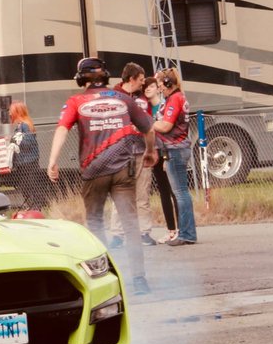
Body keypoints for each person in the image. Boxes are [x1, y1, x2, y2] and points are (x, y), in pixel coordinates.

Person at [46, 57, 157, 295]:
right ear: (105, 76)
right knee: (130, 224)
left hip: (93, 170)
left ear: (80, 79)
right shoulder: (123, 98)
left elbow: (62, 129)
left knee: (95, 224)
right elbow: (149, 128)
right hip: (123, 170)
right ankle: (139, 280)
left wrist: (53, 161)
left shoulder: (75, 101)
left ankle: (105, 279)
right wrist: (150, 151)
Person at [105, 63, 158, 246]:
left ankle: (144, 232)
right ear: (131, 79)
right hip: (120, 153)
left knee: (142, 194)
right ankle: (118, 235)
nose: (143, 84)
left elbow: (152, 119)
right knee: (119, 195)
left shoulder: (144, 97)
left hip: (142, 151)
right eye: (141, 80)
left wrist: (152, 148)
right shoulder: (113, 96)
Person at [152, 67, 197, 246]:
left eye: (160, 84)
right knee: (181, 193)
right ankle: (187, 233)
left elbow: (166, 126)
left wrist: (148, 122)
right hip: (175, 148)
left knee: (180, 193)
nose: (159, 88)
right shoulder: (175, 97)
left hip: (176, 149)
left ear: (168, 83)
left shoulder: (175, 99)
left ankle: (186, 234)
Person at [144, 76, 178, 242]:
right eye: (145, 87)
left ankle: (180, 228)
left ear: (158, 88)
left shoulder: (164, 106)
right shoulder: (145, 108)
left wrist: (165, 156)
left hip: (166, 151)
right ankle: (171, 229)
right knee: (163, 191)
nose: (148, 89)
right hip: (153, 152)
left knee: (174, 191)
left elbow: (166, 130)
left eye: (151, 86)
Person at [6, 101, 44, 209]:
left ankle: (37, 206)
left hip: (29, 161)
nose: (9, 113)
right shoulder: (20, 126)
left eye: (11, 111)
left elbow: (29, 141)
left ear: (17, 112)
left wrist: (14, 140)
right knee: (25, 186)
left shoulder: (25, 125)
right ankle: (32, 205)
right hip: (23, 161)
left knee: (31, 185)